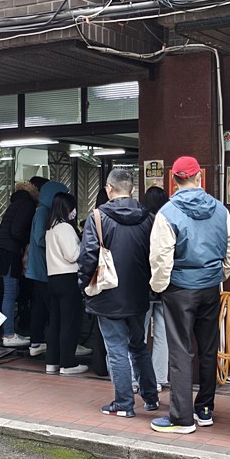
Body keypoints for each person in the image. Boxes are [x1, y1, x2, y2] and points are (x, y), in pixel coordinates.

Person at [148, 156, 230, 433]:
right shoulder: (220, 209)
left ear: (174, 180)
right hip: (210, 287)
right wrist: (220, 274)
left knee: (180, 351)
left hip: (179, 289)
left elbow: (161, 256)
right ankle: (205, 409)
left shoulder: (167, 212)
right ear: (199, 176)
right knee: (209, 348)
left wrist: (159, 286)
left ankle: (181, 417)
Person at [78, 169, 158, 417]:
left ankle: (124, 403)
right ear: (132, 189)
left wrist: (84, 286)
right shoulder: (149, 218)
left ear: (108, 189)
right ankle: (151, 397)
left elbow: (88, 256)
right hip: (139, 293)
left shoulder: (98, 217)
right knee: (139, 346)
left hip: (108, 294)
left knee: (116, 349)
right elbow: (156, 255)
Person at [0, 182, 38, 347]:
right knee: (10, 292)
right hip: (9, 253)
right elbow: (17, 231)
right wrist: (29, 240)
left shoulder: (15, 203)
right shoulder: (27, 205)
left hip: (1, 251)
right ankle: (8, 334)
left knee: (9, 292)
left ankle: (5, 330)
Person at [45, 191, 88, 376]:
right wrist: (85, 244)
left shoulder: (51, 228)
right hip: (68, 278)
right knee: (70, 322)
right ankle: (68, 363)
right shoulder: (65, 228)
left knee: (55, 322)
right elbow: (72, 255)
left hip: (53, 277)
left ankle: (52, 361)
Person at [26, 180, 70, 358]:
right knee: (52, 308)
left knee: (40, 307)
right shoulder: (44, 212)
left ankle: (37, 342)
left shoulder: (42, 210)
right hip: (43, 268)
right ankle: (60, 344)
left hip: (38, 268)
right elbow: (39, 239)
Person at [133, 186, 170, 393]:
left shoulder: (141, 222)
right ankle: (158, 378)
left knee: (139, 334)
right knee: (163, 334)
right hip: (164, 286)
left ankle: (139, 378)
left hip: (142, 286)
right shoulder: (167, 221)